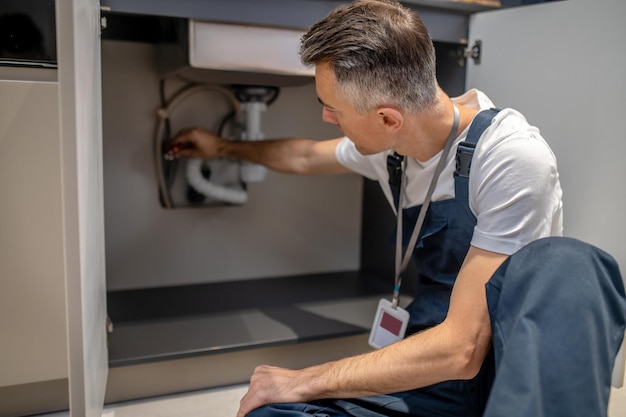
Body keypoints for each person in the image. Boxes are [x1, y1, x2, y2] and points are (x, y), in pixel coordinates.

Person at [168, 1, 625, 416]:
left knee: (571, 263)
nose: (327, 117)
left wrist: (306, 379)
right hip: (431, 368)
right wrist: (222, 147)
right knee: (271, 414)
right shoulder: (390, 146)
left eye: (333, 108)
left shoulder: (511, 156)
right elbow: (306, 155)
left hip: (510, 371)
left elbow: (463, 349)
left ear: (387, 118)